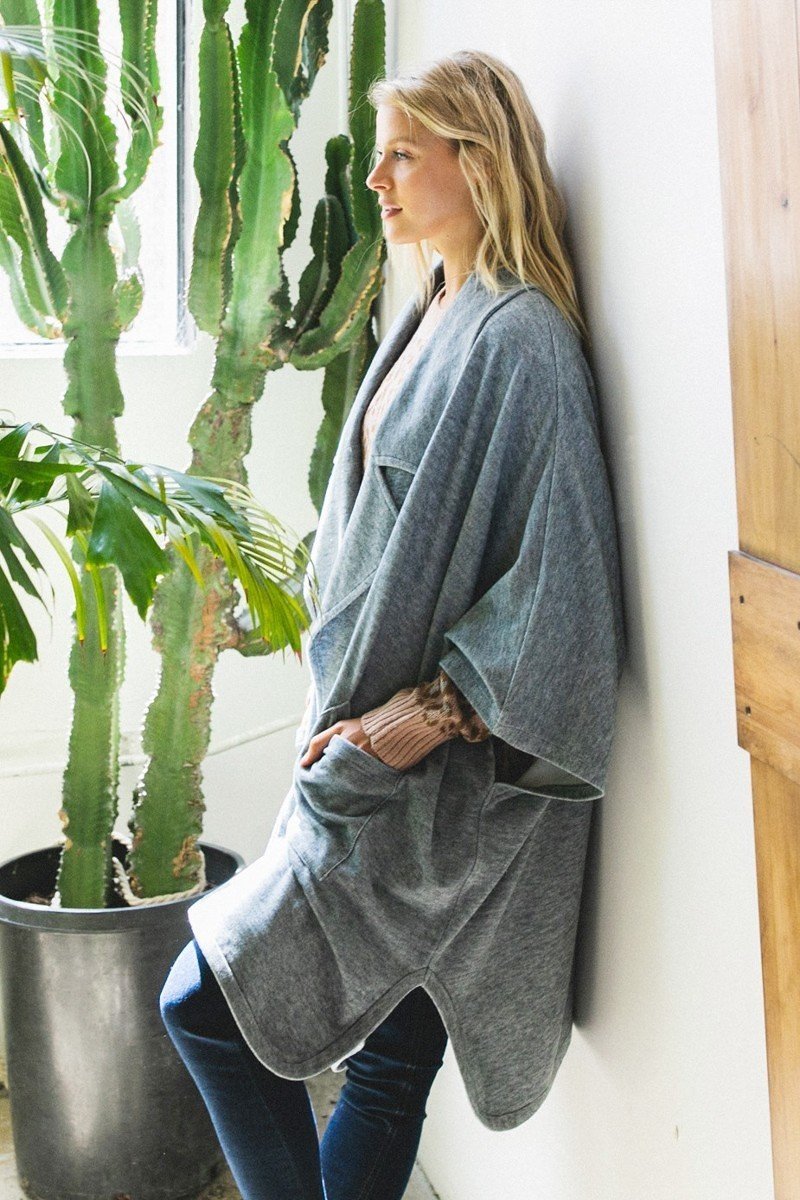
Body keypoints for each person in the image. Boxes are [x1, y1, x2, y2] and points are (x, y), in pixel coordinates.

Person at [159, 49, 625, 1200]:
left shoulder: (521, 342)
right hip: (365, 763)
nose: (374, 180)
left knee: (206, 1003)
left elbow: (564, 589)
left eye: (403, 155)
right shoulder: (431, 310)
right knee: (385, 1067)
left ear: (479, 163)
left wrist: (415, 719)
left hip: (436, 798)